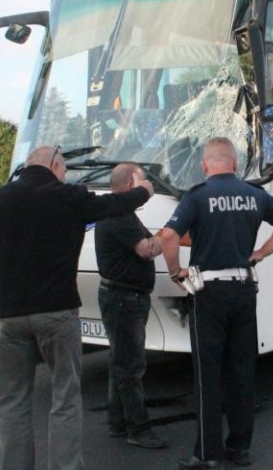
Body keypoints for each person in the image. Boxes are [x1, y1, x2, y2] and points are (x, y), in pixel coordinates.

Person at [0, 145, 154, 470]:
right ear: (54, 165)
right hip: (57, 313)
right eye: (65, 169)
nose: (65, 175)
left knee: (12, 402)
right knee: (65, 398)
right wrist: (142, 191)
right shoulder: (67, 197)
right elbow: (113, 204)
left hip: (9, 318)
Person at [160, 137, 273, 469]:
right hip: (243, 290)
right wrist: (261, 253)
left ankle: (208, 454)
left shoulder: (197, 196)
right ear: (235, 163)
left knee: (208, 373)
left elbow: (168, 236)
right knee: (241, 370)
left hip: (209, 293)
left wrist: (176, 271)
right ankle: (240, 447)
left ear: (205, 165)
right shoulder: (254, 195)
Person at [94, 163, 167, 449]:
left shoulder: (119, 213)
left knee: (120, 362)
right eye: (142, 180)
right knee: (131, 366)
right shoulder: (118, 215)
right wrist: (167, 235)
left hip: (122, 297)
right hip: (124, 299)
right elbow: (147, 250)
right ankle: (139, 428)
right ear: (129, 185)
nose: (147, 185)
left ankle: (117, 420)